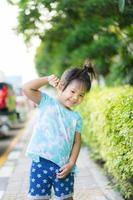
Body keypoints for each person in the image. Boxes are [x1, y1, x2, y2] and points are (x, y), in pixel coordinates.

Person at [23, 60, 96, 200]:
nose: (76, 97)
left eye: (81, 95)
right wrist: (46, 79)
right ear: (61, 86)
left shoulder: (76, 117)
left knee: (66, 198)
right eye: (73, 91)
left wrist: (71, 163)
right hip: (40, 164)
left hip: (64, 168)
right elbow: (27, 88)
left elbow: (76, 142)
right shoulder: (46, 102)